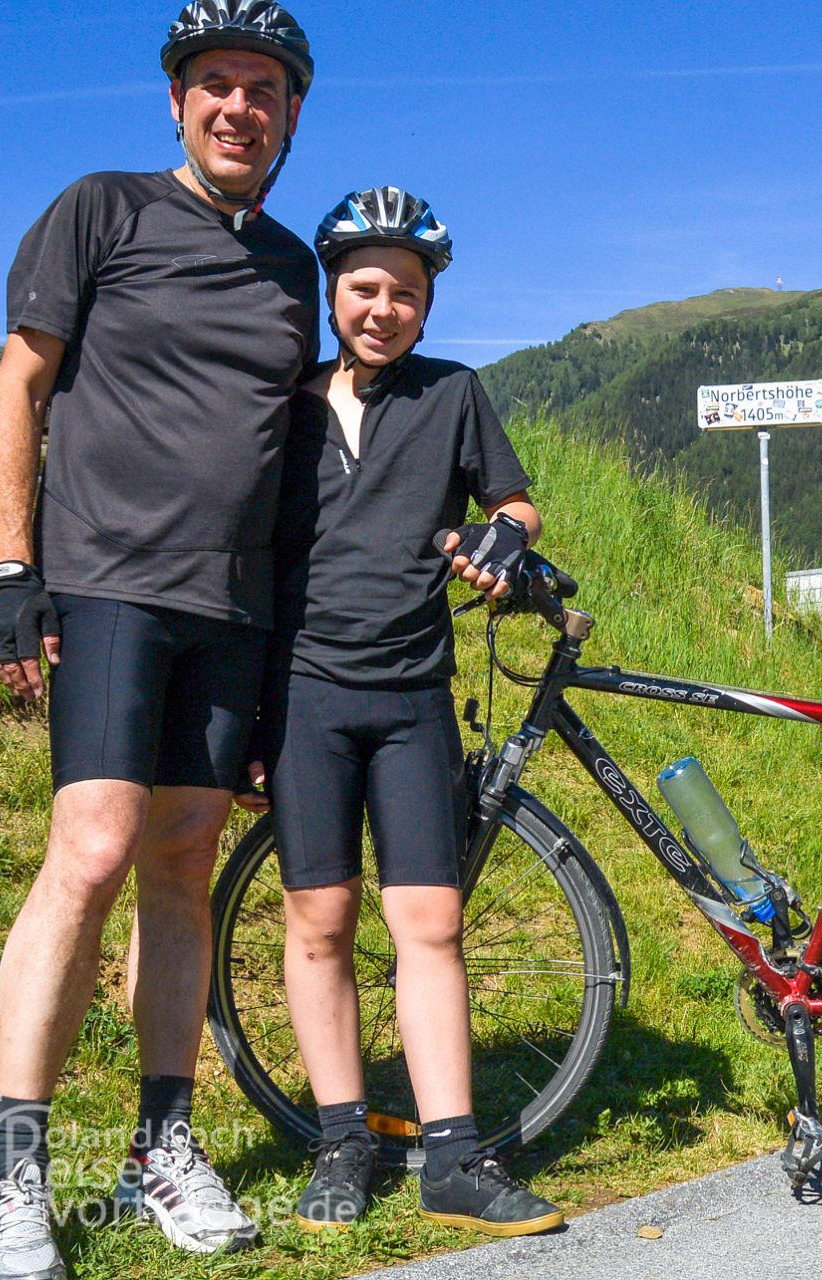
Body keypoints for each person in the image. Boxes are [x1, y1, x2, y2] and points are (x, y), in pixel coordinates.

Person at [0, 4, 318, 1275]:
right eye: (215, 84)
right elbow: (22, 378)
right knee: (96, 843)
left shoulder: (292, 264)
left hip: (233, 608)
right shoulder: (100, 208)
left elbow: (284, 466)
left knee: (183, 860)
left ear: (290, 114)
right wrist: (13, 564)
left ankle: (159, 1144)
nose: (238, 106)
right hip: (110, 579)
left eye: (263, 89)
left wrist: (285, 656)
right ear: (177, 104)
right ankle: (11, 1175)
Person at [244, 185, 561, 1236]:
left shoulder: (452, 392)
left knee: (430, 923)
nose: (383, 307)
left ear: (427, 306)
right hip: (302, 695)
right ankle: (342, 1138)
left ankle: (452, 1155)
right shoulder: (278, 400)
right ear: (334, 290)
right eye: (366, 287)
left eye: (406, 294)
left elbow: (510, 500)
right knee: (319, 920)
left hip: (414, 692)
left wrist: (506, 538)